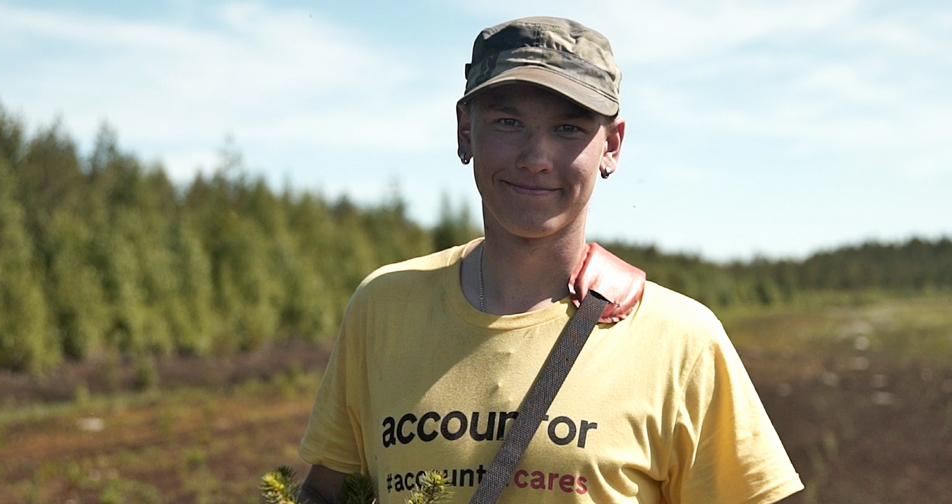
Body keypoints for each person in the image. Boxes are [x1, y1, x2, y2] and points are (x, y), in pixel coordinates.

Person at [298, 16, 803, 504]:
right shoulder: (383, 308)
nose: (536, 157)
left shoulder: (682, 340)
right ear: (466, 130)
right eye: (508, 122)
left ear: (612, 146)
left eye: (567, 128)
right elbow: (327, 494)